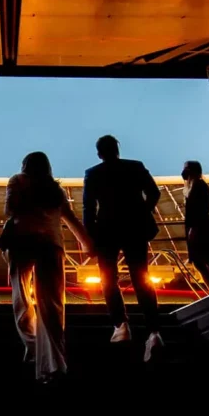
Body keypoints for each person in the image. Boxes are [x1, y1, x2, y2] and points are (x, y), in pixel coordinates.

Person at [4, 151, 91, 384]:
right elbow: (71, 219)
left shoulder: (17, 181)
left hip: (22, 243)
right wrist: (88, 245)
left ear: (25, 165)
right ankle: (54, 364)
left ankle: (33, 347)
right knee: (52, 306)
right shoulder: (56, 190)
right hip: (52, 245)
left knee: (21, 300)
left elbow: (10, 210)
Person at [83, 135, 164, 362]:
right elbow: (154, 193)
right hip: (135, 229)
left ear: (99, 153)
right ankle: (154, 332)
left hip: (107, 231)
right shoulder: (135, 167)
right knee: (142, 278)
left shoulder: (93, 173)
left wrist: (90, 237)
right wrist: (141, 213)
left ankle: (121, 325)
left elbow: (88, 210)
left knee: (108, 279)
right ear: (117, 150)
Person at [182, 160, 209, 294]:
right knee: (199, 262)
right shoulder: (191, 186)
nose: (184, 171)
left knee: (208, 260)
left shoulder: (199, 185)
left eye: (186, 168)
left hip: (201, 226)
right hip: (196, 226)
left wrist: (194, 227)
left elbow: (202, 209)